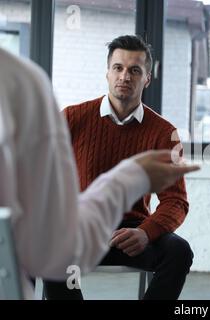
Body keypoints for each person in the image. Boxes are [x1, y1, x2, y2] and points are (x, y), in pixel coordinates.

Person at [0, 47, 199, 300]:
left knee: (178, 252)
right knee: (47, 244)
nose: (125, 77)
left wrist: (146, 232)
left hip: (132, 231)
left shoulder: (163, 131)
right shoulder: (72, 117)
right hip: (76, 224)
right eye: (118, 68)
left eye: (135, 70)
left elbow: (176, 201)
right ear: (107, 73)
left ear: (147, 78)